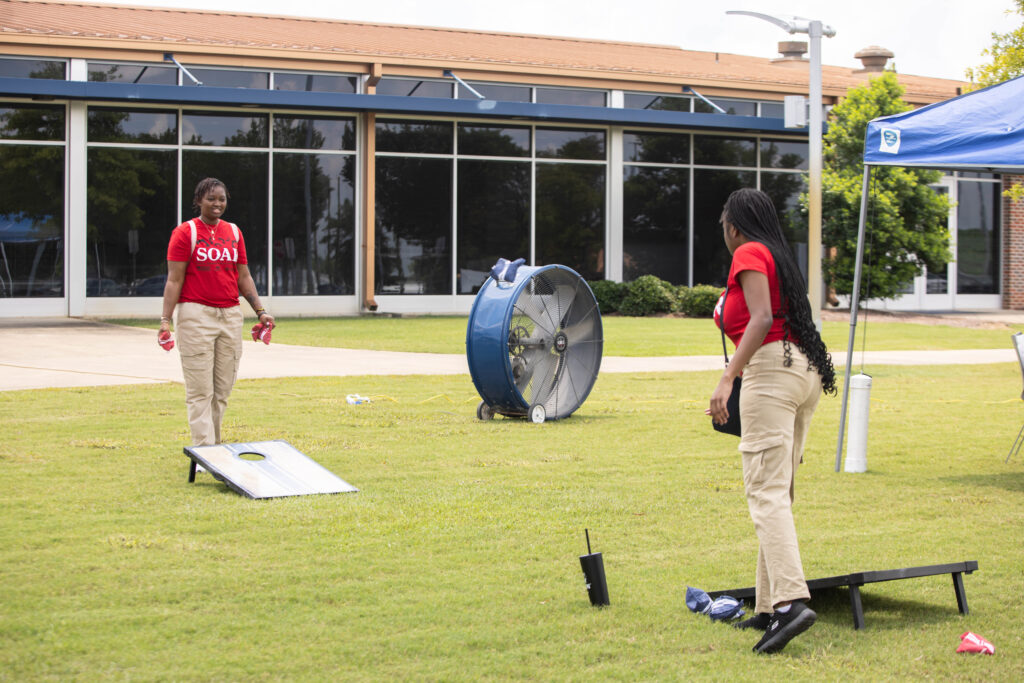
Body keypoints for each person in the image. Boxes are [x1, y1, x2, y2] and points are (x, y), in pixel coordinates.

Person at [708, 188, 836, 654]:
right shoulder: (778, 254)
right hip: (803, 372)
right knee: (777, 492)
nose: (724, 234)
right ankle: (767, 607)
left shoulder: (747, 251)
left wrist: (727, 378)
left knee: (765, 491)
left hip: (772, 373)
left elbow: (760, 318)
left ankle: (790, 605)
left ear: (734, 225)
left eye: (723, 225)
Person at [158, 177, 274, 447]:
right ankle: (204, 453)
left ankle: (216, 451)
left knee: (221, 391)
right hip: (195, 316)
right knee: (200, 391)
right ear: (198, 201)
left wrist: (260, 311)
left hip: (230, 315)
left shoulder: (233, 233)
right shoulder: (186, 233)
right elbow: (174, 280)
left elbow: (243, 276)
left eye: (221, 199)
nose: (217, 204)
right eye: (211, 199)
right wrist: (165, 320)